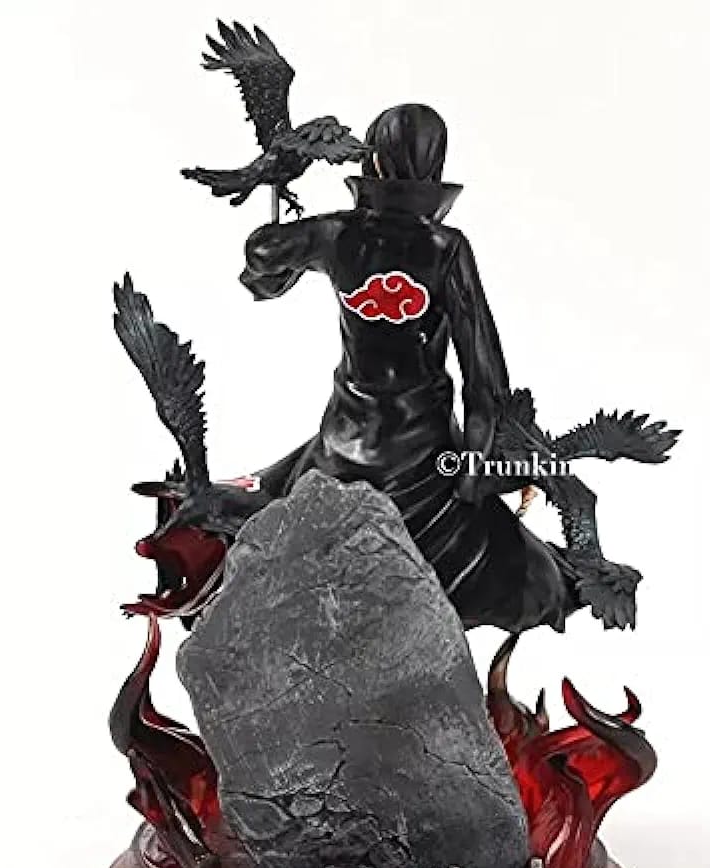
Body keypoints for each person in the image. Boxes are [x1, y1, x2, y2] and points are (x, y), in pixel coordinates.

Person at [240, 103, 571, 634]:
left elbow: (263, 254)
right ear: (435, 163)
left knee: (260, 506)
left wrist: (275, 219)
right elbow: (484, 374)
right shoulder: (445, 248)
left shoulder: (337, 234)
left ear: (373, 157)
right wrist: (475, 466)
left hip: (343, 447)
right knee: (511, 567)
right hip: (425, 457)